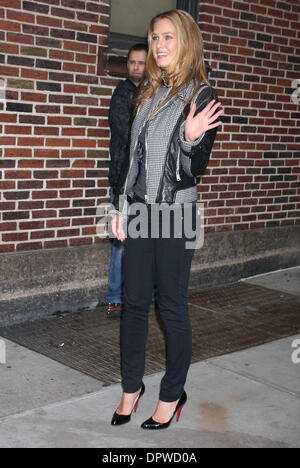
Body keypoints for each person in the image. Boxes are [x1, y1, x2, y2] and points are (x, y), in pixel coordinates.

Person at [110, 9, 223, 429]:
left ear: (187, 42)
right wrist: (121, 208)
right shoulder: (149, 92)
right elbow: (131, 160)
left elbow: (193, 171)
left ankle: (172, 394)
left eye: (169, 37)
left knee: (171, 305)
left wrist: (189, 139)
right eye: (155, 37)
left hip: (176, 214)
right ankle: (130, 387)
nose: (159, 45)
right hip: (140, 210)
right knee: (134, 304)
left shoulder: (201, 96)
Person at [105, 43, 148, 318]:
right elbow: (128, 134)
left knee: (147, 240)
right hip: (123, 177)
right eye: (131, 62)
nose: (135, 67)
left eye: (141, 63)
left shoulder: (155, 93)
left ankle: (146, 294)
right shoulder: (122, 94)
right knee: (121, 242)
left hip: (147, 181)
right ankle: (115, 296)